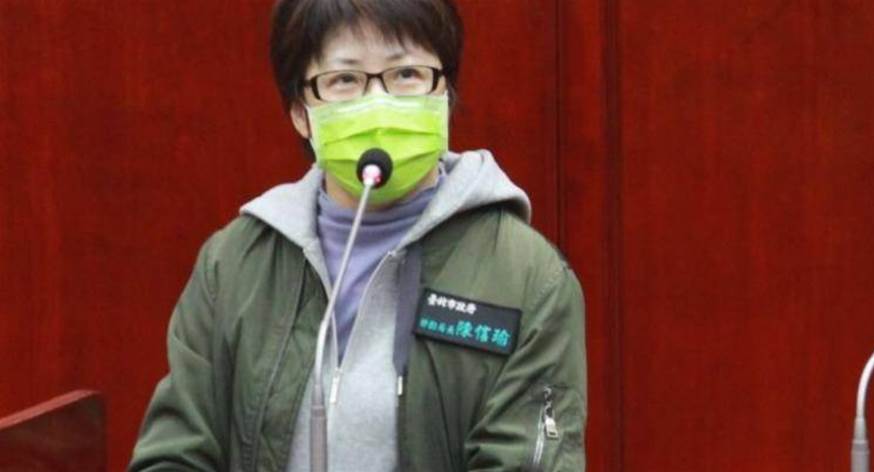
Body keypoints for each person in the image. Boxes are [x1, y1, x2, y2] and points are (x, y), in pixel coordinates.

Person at [128, 0, 587, 471]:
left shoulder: (526, 277)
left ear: (444, 94)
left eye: (406, 74)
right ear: (300, 112)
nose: (378, 104)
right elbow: (175, 454)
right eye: (345, 79)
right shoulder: (234, 263)